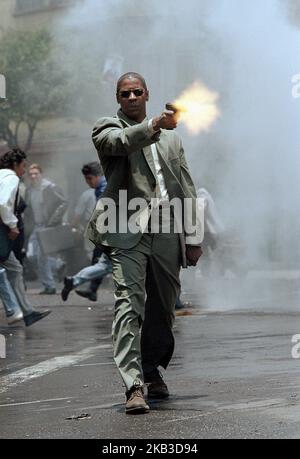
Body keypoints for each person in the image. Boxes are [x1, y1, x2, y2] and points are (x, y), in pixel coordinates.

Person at [86, 72, 203, 414]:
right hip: (125, 226)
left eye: (138, 91)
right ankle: (134, 385)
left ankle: (151, 368)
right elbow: (120, 143)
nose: (132, 97)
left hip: (167, 225)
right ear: (118, 99)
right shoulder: (106, 128)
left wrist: (193, 236)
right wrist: (155, 123)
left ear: (147, 93)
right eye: (126, 93)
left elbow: (187, 187)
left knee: (164, 307)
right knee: (129, 303)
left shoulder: (172, 140)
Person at [0, 149, 51, 326]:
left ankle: (25, 312)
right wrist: (13, 225)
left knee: (14, 268)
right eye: (23, 165)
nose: (24, 169)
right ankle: (15, 310)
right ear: (15, 165)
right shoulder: (11, 178)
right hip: (2, 231)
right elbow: (3, 203)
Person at [61, 161, 112, 301]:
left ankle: (79, 283)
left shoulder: (103, 187)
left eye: (89, 178)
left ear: (97, 176)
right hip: (109, 233)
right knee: (104, 264)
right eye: (86, 179)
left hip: (110, 232)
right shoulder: (100, 187)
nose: (88, 182)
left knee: (104, 264)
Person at [25, 164, 67, 294]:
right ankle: (58, 264)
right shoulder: (30, 190)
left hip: (46, 226)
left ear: (41, 174)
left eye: (36, 173)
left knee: (41, 257)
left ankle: (49, 286)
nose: (33, 176)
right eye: (31, 174)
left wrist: (53, 221)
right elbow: (28, 210)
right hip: (35, 227)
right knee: (30, 255)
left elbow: (64, 202)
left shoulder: (50, 187)